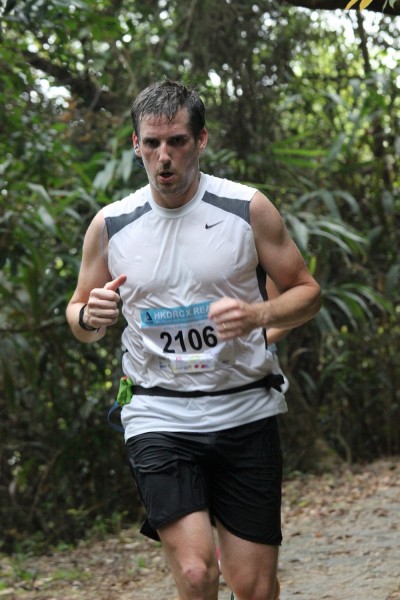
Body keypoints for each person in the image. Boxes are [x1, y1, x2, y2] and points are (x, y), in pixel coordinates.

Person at [66, 80, 321, 600]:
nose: (164, 156)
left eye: (177, 141)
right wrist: (90, 315)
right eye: (152, 143)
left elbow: (307, 293)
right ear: (136, 144)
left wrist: (257, 314)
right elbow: (78, 315)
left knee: (254, 588)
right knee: (197, 574)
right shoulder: (112, 225)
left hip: (244, 410)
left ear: (200, 140)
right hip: (158, 414)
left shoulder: (246, 208)